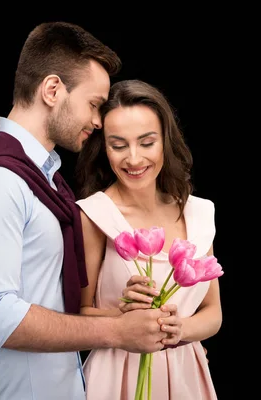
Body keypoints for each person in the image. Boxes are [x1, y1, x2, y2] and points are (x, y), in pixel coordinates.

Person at [0, 22, 175, 400]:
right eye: (94, 104)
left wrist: (121, 313)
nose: (98, 121)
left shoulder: (44, 181)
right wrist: (116, 333)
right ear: (52, 90)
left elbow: (48, 298)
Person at [75, 79, 223, 399]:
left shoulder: (197, 213)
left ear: (165, 141)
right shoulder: (93, 215)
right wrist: (123, 315)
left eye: (146, 142)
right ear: (104, 147)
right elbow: (78, 314)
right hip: (116, 374)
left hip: (187, 375)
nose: (134, 159)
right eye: (118, 145)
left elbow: (213, 313)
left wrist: (180, 330)